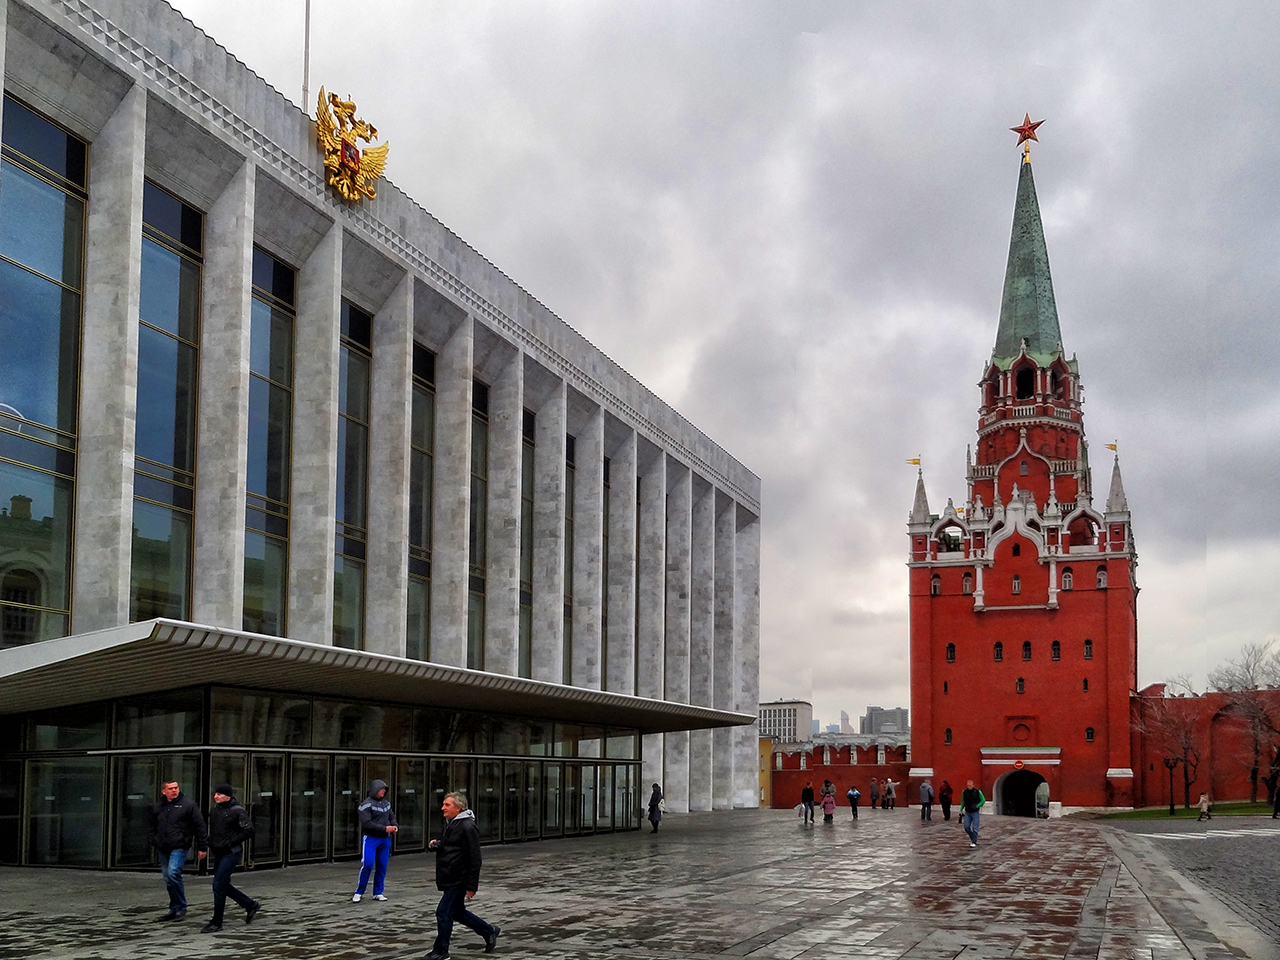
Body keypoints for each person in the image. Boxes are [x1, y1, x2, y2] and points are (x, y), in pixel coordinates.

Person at [425, 792, 499, 960]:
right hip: (451, 877)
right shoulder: (453, 824)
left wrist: (472, 886)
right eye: (443, 804)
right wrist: (437, 844)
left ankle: (441, 951)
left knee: (443, 912)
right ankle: (488, 931)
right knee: (457, 912)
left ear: (458, 808)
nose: (442, 807)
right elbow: (452, 846)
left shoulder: (467, 826)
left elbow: (475, 858)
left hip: (458, 879)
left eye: (447, 805)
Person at [201, 783, 261, 933]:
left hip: (231, 852)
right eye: (215, 794)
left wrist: (231, 841)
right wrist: (210, 842)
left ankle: (217, 921)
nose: (216, 797)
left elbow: (249, 830)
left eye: (219, 794)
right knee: (222, 885)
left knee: (219, 885)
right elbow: (215, 830)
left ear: (227, 796)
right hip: (219, 851)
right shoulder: (215, 810)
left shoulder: (237, 811)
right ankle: (250, 904)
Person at [145, 779, 207, 921]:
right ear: (164, 791)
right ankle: (174, 907)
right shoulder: (158, 806)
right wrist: (155, 839)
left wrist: (202, 847)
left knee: (173, 872)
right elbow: (151, 825)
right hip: (163, 845)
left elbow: (199, 826)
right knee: (168, 877)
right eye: (171, 788)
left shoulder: (188, 805)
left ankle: (181, 907)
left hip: (180, 844)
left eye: (176, 788)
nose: (174, 790)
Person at [352, 778, 398, 902]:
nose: (383, 791)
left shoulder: (386, 804)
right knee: (368, 864)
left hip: (384, 839)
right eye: (381, 789)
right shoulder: (366, 805)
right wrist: (385, 828)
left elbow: (391, 816)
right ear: (375, 790)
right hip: (371, 838)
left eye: (384, 789)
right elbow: (367, 823)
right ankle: (359, 891)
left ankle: (378, 892)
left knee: (382, 865)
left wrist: (395, 826)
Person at [960, 779, 986, 847]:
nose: (969, 787)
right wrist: (961, 809)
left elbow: (983, 800)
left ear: (973, 785)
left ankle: (974, 841)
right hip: (968, 811)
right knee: (966, 827)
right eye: (968, 785)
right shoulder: (964, 792)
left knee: (975, 827)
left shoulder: (977, 792)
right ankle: (973, 838)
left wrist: (977, 806)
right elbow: (963, 801)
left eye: (970, 785)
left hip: (975, 812)